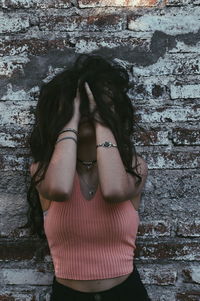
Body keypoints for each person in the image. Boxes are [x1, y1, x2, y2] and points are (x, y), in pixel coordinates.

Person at [26, 54, 151, 300]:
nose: (86, 111)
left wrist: (102, 120)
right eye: (78, 104)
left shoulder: (133, 167)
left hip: (126, 293)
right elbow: (60, 189)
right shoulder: (42, 170)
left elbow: (114, 191)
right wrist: (70, 120)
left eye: (93, 105)